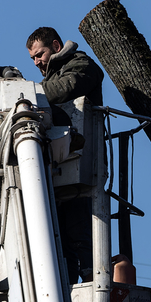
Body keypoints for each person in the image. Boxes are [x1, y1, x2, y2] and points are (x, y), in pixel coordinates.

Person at [26, 27, 105, 284]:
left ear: (57, 46)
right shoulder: (48, 80)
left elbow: (68, 87)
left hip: (83, 166)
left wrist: (27, 95)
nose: (37, 61)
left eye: (40, 54)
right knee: (61, 240)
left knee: (82, 233)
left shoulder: (82, 64)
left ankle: (91, 278)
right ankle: (67, 284)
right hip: (59, 169)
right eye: (33, 58)